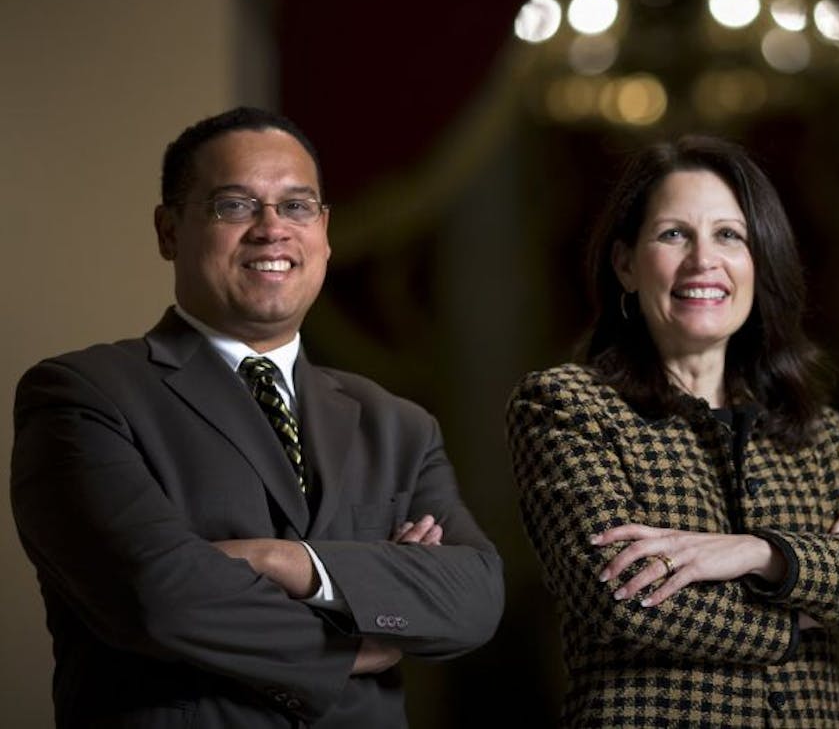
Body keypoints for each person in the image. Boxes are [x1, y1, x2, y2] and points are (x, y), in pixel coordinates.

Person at [11, 107, 504, 727]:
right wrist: (356, 632)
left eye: (296, 207)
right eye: (235, 206)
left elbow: (476, 598)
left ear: (324, 231)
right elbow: (156, 595)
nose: (272, 230)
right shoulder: (83, 395)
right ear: (168, 231)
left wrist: (285, 562)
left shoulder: (399, 424)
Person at [506, 135, 839, 726]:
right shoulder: (567, 407)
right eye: (673, 233)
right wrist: (806, 606)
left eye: (730, 235)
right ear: (626, 263)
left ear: (760, 262)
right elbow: (621, 598)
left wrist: (760, 554)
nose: (703, 259)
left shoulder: (816, 430)